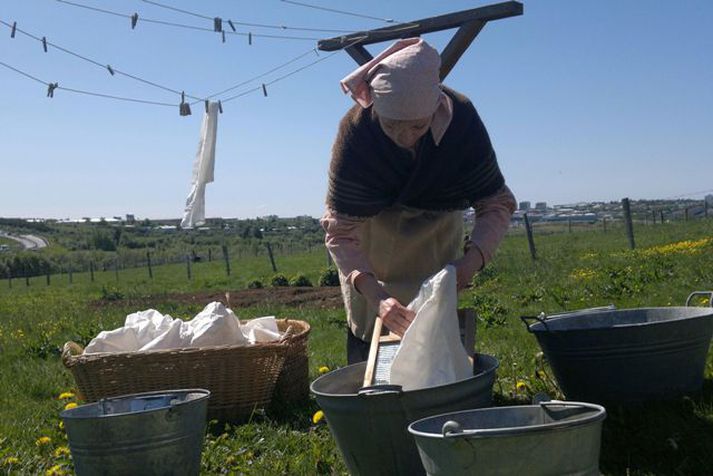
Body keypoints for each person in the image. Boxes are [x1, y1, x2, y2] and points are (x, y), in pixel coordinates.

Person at [320, 38, 516, 365]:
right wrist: (377, 297)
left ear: (436, 108)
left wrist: (468, 265)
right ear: (374, 106)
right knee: (373, 339)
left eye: (418, 126)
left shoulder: (462, 121)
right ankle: (370, 398)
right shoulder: (356, 133)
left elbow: (496, 203)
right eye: (392, 125)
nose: (405, 137)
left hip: (436, 236)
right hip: (373, 240)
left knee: (434, 339)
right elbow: (340, 232)